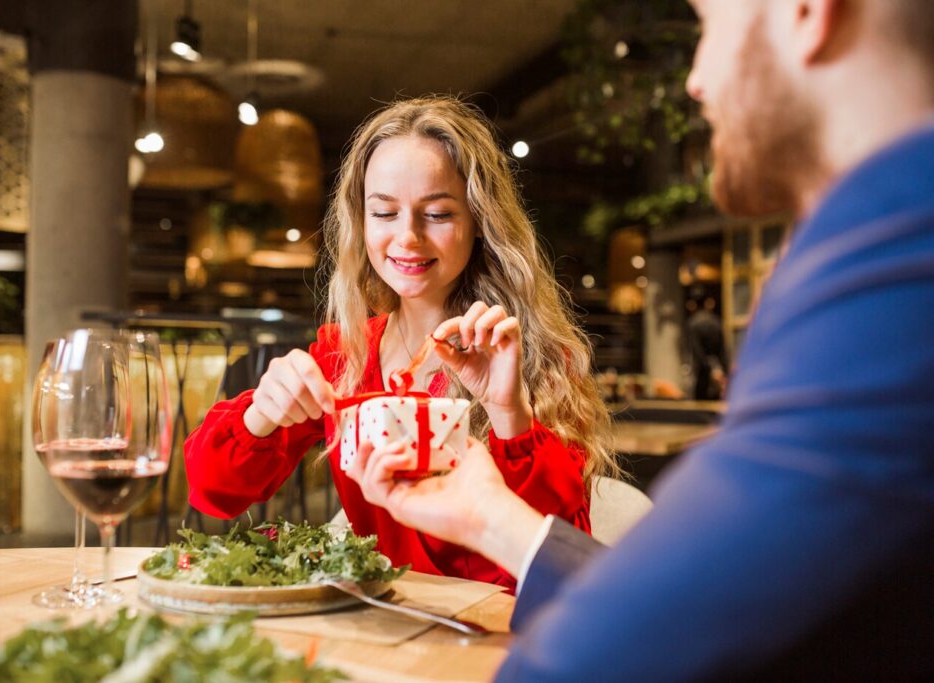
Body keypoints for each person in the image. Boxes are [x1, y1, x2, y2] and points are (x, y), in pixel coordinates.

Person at [348, 0, 934, 679]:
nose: (694, 79)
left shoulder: (895, 265)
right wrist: (489, 517)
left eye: (709, 25)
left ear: (806, 11)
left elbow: (649, 643)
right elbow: (714, 601)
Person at [184, 96, 617, 591]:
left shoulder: (531, 360)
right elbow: (212, 490)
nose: (407, 237)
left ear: (479, 222)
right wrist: (260, 413)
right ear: (361, 222)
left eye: (436, 213)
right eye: (384, 212)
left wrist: (510, 414)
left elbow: (557, 562)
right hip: (385, 632)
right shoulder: (344, 356)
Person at [686, 284, 728, 400]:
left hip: (702, 374)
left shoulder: (693, 323)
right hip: (718, 373)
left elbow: (697, 352)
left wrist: (708, 370)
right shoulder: (716, 322)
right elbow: (723, 351)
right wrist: (723, 371)